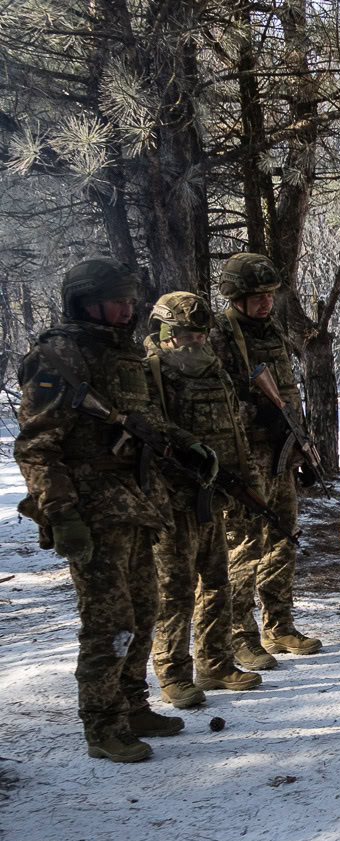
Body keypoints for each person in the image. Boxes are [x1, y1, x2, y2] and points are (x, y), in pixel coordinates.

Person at [15, 259, 207, 761]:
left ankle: (131, 703)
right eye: (117, 300)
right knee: (108, 621)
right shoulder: (58, 357)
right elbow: (37, 448)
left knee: (145, 610)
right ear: (85, 301)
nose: (128, 309)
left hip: (137, 504)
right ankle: (102, 725)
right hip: (93, 511)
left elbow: (145, 422)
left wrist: (186, 443)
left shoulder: (122, 355)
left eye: (130, 299)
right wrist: (62, 514)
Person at [144, 292, 265, 707]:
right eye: (185, 333)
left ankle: (214, 662)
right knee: (174, 588)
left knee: (216, 581)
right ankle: (172, 673)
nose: (194, 340)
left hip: (212, 495)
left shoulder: (214, 371)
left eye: (199, 333)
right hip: (173, 499)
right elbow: (153, 431)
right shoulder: (152, 373)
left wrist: (247, 482)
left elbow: (236, 430)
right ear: (164, 332)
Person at [211, 251, 322, 669]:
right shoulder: (220, 334)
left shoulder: (271, 330)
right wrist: (250, 416)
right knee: (246, 545)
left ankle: (279, 625)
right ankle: (240, 634)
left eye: (269, 295)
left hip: (281, 452)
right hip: (247, 458)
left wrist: (303, 445)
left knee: (284, 540)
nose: (265, 302)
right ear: (236, 296)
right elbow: (214, 402)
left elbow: (289, 394)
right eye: (256, 296)